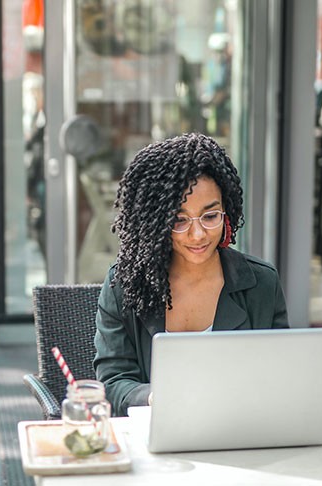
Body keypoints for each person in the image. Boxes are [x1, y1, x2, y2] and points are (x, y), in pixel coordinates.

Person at [93, 133, 290, 416]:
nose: (197, 235)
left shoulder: (261, 284)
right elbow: (113, 382)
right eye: (179, 220)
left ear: (227, 212)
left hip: (242, 433)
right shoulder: (124, 285)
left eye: (210, 217)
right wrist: (153, 397)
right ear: (156, 222)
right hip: (155, 438)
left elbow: (280, 378)